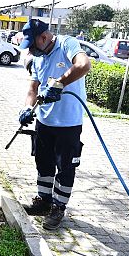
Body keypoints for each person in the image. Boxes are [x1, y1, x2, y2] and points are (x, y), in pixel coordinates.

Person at [17, 19, 91, 230]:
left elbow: (83, 65)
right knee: (44, 162)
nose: (31, 51)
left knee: (65, 167)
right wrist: (26, 109)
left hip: (68, 123)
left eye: (32, 45)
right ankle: (44, 201)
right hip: (45, 121)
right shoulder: (38, 59)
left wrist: (59, 84)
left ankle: (58, 207)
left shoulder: (67, 44)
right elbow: (33, 88)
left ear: (44, 37)